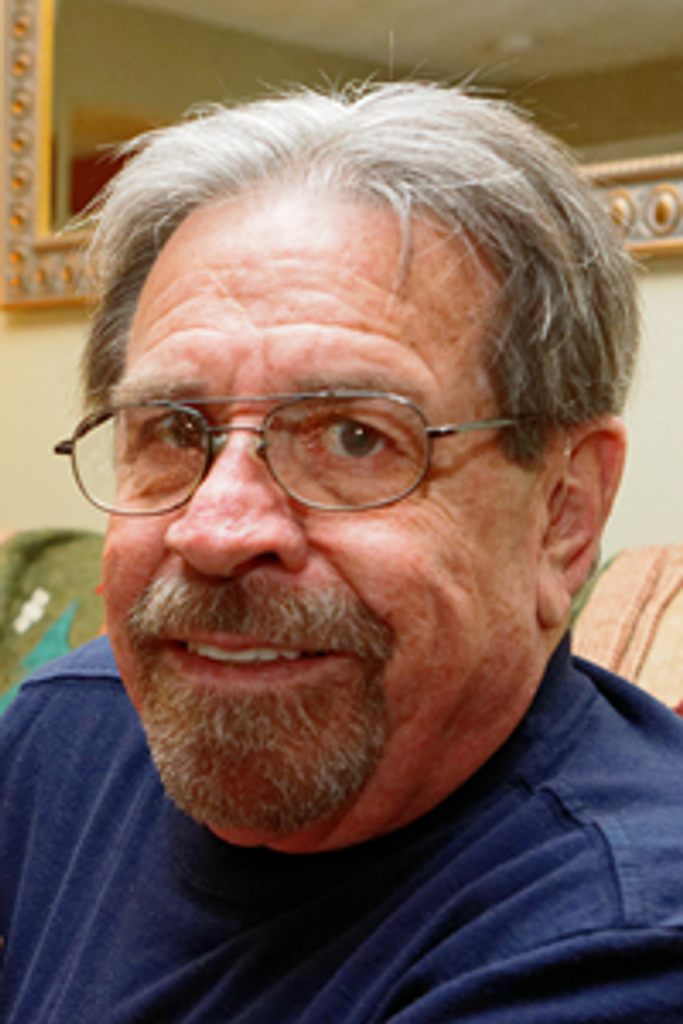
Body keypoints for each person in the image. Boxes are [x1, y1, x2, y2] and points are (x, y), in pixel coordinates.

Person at [2, 81, 683, 1022]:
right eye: (173, 429)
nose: (216, 530)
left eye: (354, 437)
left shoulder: (614, 949)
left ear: (563, 513)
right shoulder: (66, 734)